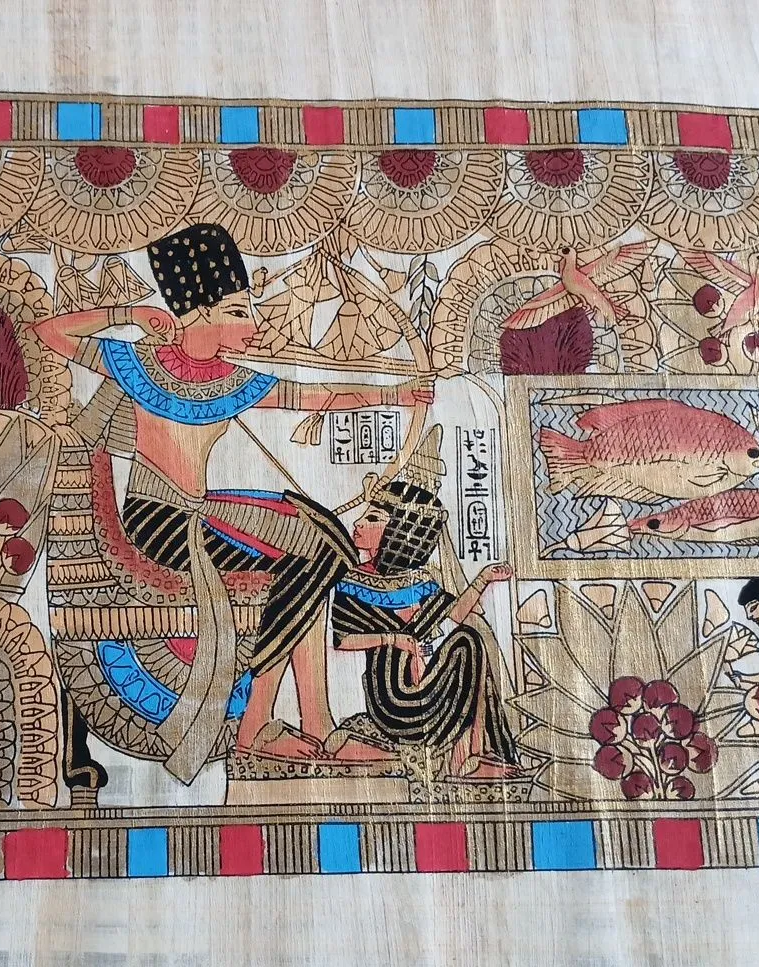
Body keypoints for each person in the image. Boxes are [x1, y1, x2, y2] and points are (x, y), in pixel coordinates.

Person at [34, 223, 431, 776]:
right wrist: (129, 312)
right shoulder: (135, 364)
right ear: (199, 313)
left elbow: (314, 395)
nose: (255, 325)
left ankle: (313, 726)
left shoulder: (230, 378)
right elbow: (48, 331)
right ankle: (262, 728)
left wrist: (396, 393)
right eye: (240, 311)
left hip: (200, 512)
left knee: (320, 544)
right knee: (313, 556)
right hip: (160, 522)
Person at [329, 431, 522, 779]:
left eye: (372, 519)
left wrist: (483, 580)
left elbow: (454, 615)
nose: (357, 524)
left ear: (398, 532)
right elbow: (342, 640)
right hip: (391, 696)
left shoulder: (418, 580)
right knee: (467, 643)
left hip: (427, 685)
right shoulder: (351, 580)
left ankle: (470, 750)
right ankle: (466, 754)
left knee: (468, 641)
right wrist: (394, 640)